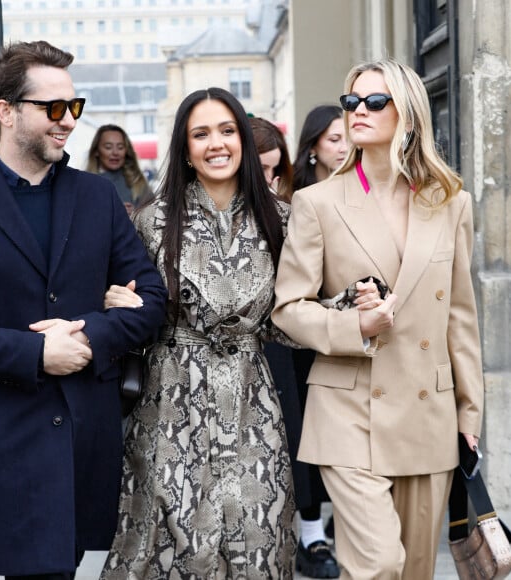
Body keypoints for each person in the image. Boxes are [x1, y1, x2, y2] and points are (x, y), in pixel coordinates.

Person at [0, 40, 167, 579]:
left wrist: (89, 336)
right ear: (6, 111)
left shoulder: (98, 198)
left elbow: (152, 299)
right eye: (54, 109)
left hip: (82, 438)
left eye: (75, 107)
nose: (69, 122)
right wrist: (37, 353)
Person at [272, 58, 484, 580]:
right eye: (351, 102)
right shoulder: (316, 202)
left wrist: (470, 413)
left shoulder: (451, 203)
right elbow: (287, 310)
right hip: (348, 408)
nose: (357, 112)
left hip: (426, 411)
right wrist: (353, 326)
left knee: (412, 570)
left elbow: (460, 316)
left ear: (408, 114)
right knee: (377, 564)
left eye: (374, 101)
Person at [100, 87, 297, 578]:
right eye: (201, 133)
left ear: (244, 143)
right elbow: (134, 311)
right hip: (170, 403)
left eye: (228, 131)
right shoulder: (153, 221)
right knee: (170, 540)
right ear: (184, 148)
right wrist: (116, 305)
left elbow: (291, 318)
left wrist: (352, 311)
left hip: (252, 406)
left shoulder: (282, 218)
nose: (217, 143)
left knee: (258, 538)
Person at [249, 115, 344, 579]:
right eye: (259, 170)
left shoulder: (288, 211)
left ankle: (307, 534)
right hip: (218, 357)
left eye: (274, 171)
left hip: (282, 345)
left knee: (294, 434)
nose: (268, 181)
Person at [86, 123, 153, 214]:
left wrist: (135, 215)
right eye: (108, 147)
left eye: (120, 147)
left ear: (126, 151)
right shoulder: (84, 185)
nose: (115, 152)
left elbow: (155, 220)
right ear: (96, 151)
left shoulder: (138, 182)